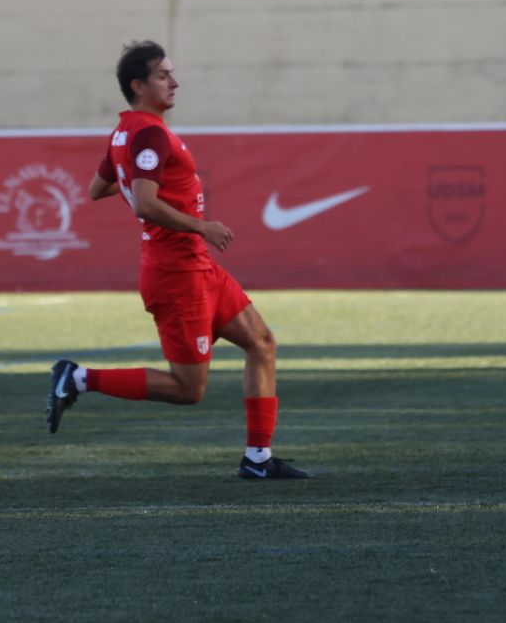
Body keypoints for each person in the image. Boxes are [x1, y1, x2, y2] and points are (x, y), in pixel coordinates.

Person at [44, 40, 309, 480]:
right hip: (176, 272)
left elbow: (97, 189)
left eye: (172, 73)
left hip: (196, 266)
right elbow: (144, 204)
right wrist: (201, 225)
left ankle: (259, 459)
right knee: (188, 389)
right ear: (138, 85)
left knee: (261, 342)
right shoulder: (148, 134)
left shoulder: (126, 132)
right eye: (163, 75)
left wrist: (136, 181)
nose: (174, 82)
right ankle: (77, 379)